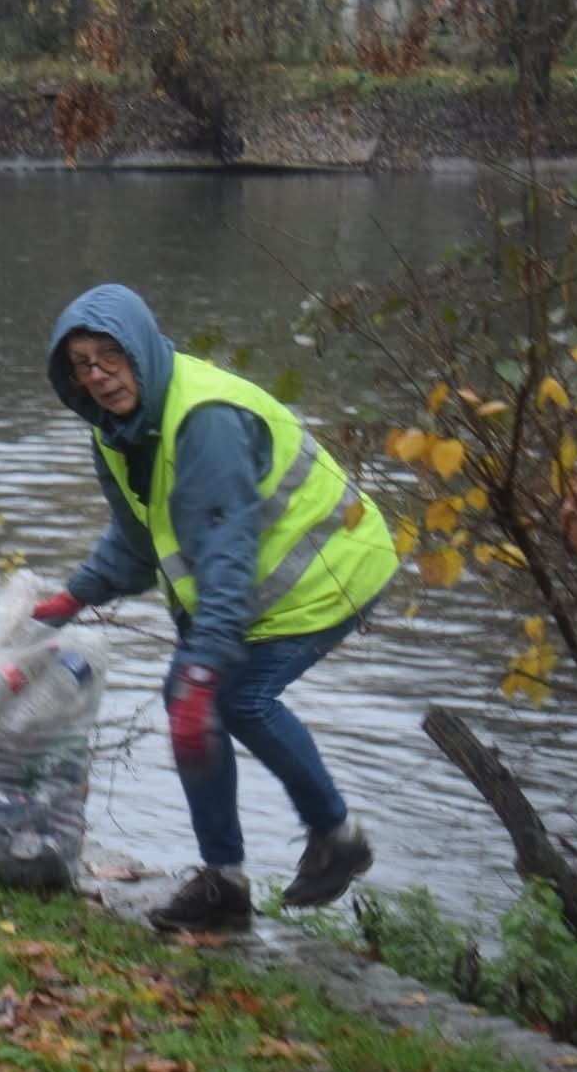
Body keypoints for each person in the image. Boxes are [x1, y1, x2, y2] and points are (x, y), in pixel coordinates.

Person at [35, 283, 398, 934]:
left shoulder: (204, 419)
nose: (99, 375)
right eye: (82, 364)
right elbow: (136, 542)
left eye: (110, 355)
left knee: (233, 698)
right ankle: (225, 885)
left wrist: (205, 670)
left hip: (330, 571)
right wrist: (70, 597)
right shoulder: (118, 434)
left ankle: (337, 836)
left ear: (141, 348)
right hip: (261, 587)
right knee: (191, 701)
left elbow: (227, 557)